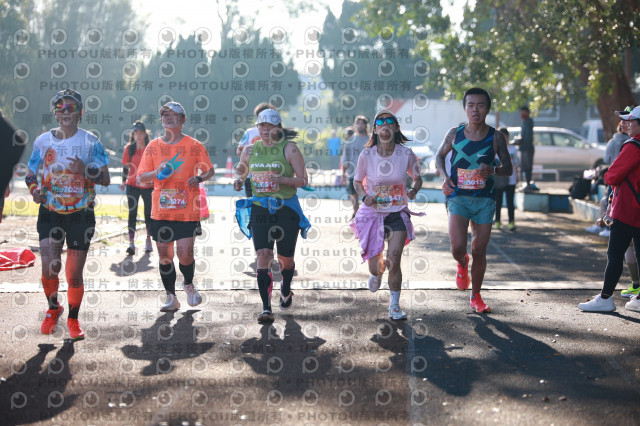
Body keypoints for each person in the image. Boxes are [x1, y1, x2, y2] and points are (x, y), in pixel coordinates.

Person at [26, 89, 111, 339]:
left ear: (80, 112)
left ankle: (73, 319)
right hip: (50, 212)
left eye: (71, 108)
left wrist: (86, 170)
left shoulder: (91, 142)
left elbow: (106, 179)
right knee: (49, 265)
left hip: (80, 214)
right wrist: (34, 191)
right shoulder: (42, 141)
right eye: (60, 108)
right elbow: (30, 174)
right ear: (55, 113)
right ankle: (53, 309)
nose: (65, 112)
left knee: (73, 274)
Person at [435, 87, 512, 313]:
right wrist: (444, 177)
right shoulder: (454, 134)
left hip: (485, 200)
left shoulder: (496, 137)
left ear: (487, 109)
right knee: (458, 247)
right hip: (458, 197)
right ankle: (462, 262)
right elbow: (439, 156)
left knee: (479, 249)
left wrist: (492, 170)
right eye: (471, 105)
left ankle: (476, 296)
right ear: (465, 108)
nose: (475, 109)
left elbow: (508, 168)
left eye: (480, 105)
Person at [233, 109, 310, 323]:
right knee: (263, 255)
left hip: (286, 209)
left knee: (286, 260)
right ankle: (266, 308)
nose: (265, 130)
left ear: (278, 128)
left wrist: (283, 180)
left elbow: (303, 180)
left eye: (270, 126)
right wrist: (238, 180)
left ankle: (285, 287)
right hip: (260, 208)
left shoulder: (289, 149)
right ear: (257, 128)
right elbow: (241, 170)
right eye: (261, 126)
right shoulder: (250, 149)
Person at [137, 102, 214, 311]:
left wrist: (199, 178)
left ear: (183, 120)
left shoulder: (194, 145)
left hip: (187, 211)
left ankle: (188, 285)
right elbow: (141, 177)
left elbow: (209, 170)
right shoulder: (153, 146)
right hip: (161, 211)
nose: (169, 118)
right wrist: (157, 172)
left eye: (174, 115)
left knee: (185, 253)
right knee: (165, 256)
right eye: (165, 115)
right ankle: (171, 297)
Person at [351, 109, 423, 320]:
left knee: (394, 259)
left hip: (397, 213)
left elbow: (418, 178)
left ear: (396, 128)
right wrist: (364, 196)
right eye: (380, 122)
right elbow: (357, 182)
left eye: (389, 121)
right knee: (376, 267)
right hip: (373, 214)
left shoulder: (406, 154)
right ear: (374, 130)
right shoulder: (367, 155)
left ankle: (394, 306)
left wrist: (414, 189)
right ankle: (376, 274)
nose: (385, 124)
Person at [579, 106, 640, 312]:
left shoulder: (633, 146)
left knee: (615, 254)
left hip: (627, 209)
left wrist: (607, 174)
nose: (626, 124)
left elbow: (612, 175)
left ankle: (605, 298)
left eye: (630, 120)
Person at [120, 121, 153, 255]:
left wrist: (151, 179)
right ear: (133, 135)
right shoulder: (129, 148)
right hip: (132, 184)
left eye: (140, 133)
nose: (138, 136)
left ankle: (148, 239)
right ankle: (131, 243)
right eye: (136, 133)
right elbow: (125, 166)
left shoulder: (151, 148)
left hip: (148, 185)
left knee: (148, 213)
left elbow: (155, 166)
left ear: (145, 134)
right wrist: (123, 181)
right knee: (132, 212)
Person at [236, 102, 277, 198]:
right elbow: (239, 151)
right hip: (253, 177)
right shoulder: (249, 132)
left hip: (272, 178)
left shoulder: (277, 133)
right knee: (257, 204)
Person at [341, 115, 370, 219]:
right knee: (353, 194)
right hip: (353, 172)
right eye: (358, 123)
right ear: (355, 125)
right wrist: (343, 174)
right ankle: (356, 214)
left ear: (366, 125)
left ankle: (367, 214)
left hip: (369, 174)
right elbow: (345, 158)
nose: (360, 125)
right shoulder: (350, 141)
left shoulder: (371, 139)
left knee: (368, 195)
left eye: (362, 123)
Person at [493, 127, 519, 231]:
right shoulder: (495, 149)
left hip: (511, 180)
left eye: (505, 136)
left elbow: (515, 164)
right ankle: (497, 221)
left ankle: (511, 222)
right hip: (499, 180)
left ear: (508, 137)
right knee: (498, 202)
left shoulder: (513, 149)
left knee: (510, 202)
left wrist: (517, 177)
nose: (503, 138)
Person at [517, 106, 536, 192]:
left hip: (527, 148)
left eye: (523, 112)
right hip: (524, 148)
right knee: (524, 167)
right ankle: (526, 184)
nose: (522, 114)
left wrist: (521, 142)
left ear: (527, 113)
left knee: (527, 167)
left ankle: (528, 184)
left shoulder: (528, 123)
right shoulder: (525, 122)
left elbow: (527, 137)